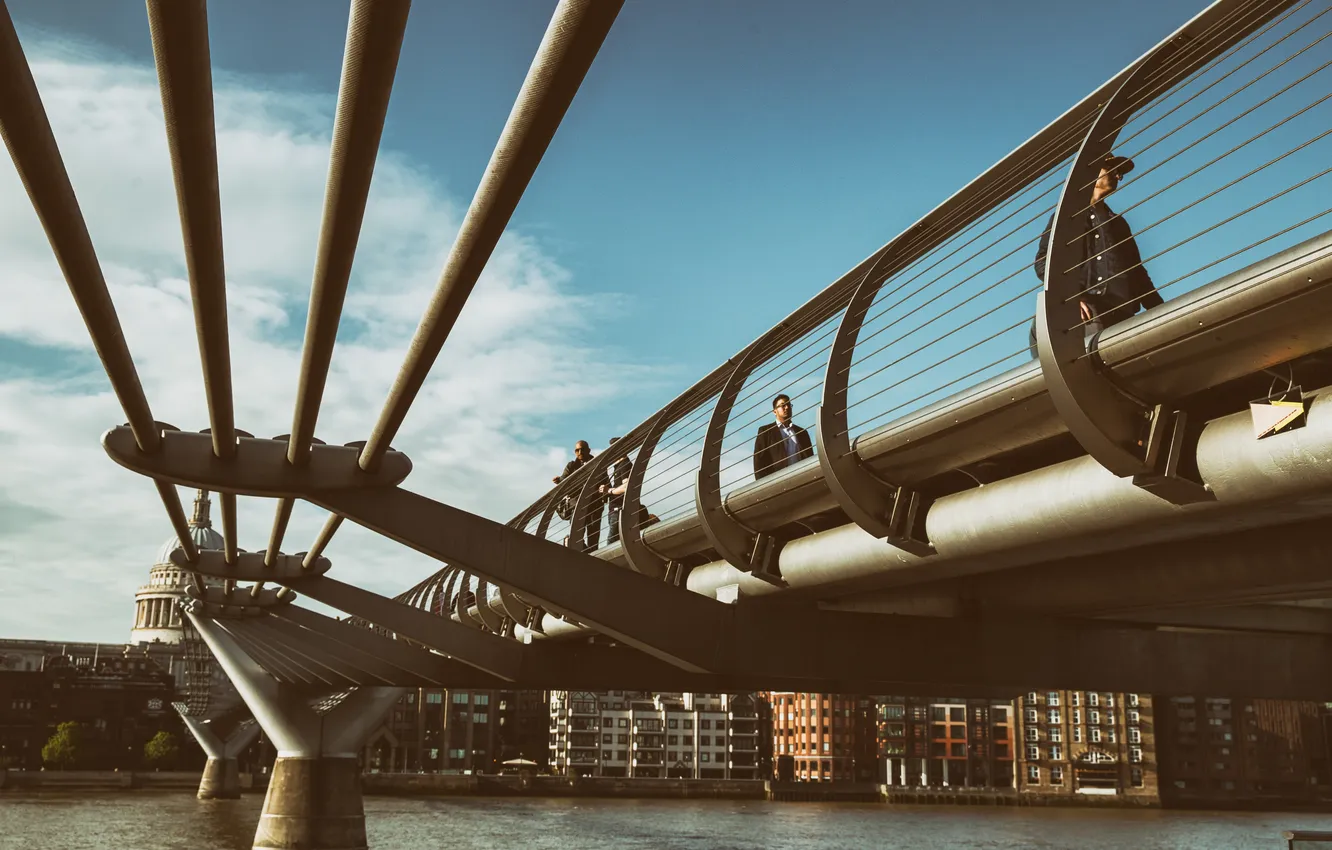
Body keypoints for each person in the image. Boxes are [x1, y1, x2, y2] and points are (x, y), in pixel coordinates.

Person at [1028, 152, 1164, 357]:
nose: (1119, 177)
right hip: (1087, 314)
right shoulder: (1066, 217)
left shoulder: (1118, 223)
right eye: (1113, 170)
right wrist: (1071, 297)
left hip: (1123, 315)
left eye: (1120, 173)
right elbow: (1043, 263)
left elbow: (1138, 273)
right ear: (1092, 172)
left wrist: (1162, 311)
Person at [752, 393, 813, 480]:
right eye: (783, 405)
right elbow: (759, 463)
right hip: (777, 484)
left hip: (801, 481)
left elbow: (810, 459)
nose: (787, 407)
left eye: (788, 405)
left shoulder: (802, 433)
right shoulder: (765, 432)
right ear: (774, 411)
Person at [552, 440, 599, 552]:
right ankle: (580, 552)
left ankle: (592, 557)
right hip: (577, 504)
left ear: (588, 450)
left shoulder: (597, 462)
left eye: (582, 449)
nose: (580, 452)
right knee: (577, 535)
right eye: (577, 450)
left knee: (593, 539)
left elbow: (603, 480)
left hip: (594, 504)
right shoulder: (572, 465)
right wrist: (560, 481)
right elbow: (565, 480)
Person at [597, 437, 634, 545]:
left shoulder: (625, 464)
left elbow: (627, 486)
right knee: (615, 545)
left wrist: (610, 491)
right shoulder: (619, 466)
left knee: (611, 545)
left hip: (619, 511)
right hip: (615, 511)